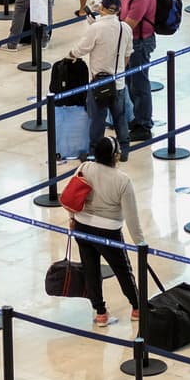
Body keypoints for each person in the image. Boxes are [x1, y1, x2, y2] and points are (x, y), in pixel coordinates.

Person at [69, 137, 145, 327]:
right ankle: (137, 308)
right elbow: (132, 217)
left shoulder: (85, 167)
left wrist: (72, 218)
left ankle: (100, 313)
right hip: (109, 231)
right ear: (116, 155)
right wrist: (140, 243)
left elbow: (72, 194)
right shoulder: (123, 180)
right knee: (122, 270)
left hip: (82, 226)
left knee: (90, 269)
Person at [67, 0, 132, 156]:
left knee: (97, 120)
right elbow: (127, 54)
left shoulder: (95, 28)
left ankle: (96, 151)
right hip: (118, 82)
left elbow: (82, 49)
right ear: (118, 11)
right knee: (120, 118)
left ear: (102, 8)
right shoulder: (126, 28)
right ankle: (124, 149)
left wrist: (70, 54)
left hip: (99, 84)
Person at [113, 0, 156, 142]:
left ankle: (144, 125)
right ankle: (138, 119)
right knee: (131, 83)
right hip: (131, 43)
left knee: (140, 85)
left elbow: (128, 25)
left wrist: (106, 24)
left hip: (140, 43)